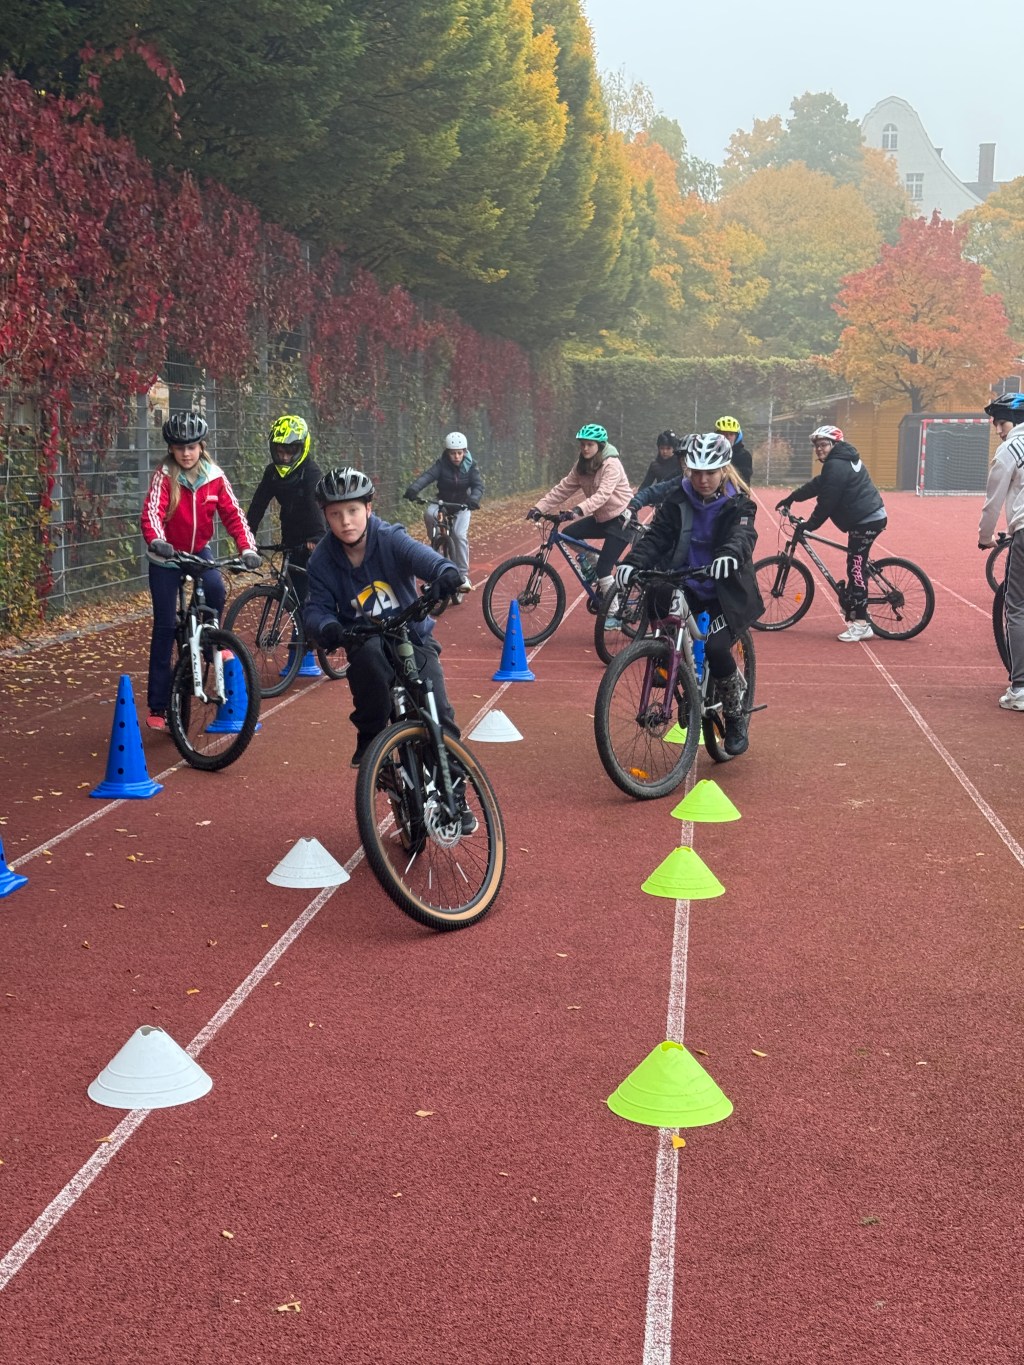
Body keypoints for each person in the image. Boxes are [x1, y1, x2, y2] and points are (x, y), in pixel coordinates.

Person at [303, 469, 469, 799]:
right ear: (325, 516)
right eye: (335, 514)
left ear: (368, 508)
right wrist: (327, 626)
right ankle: (370, 740)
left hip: (413, 637)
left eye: (352, 511)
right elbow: (315, 609)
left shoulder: (389, 538)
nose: (345, 521)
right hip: (364, 640)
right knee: (369, 662)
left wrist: (445, 573)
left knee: (437, 707)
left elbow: (424, 558)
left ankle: (455, 791)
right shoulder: (322, 559)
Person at [615, 432, 762, 756]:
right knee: (657, 597)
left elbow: (742, 535)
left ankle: (735, 716)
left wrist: (729, 556)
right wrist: (632, 563)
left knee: (717, 649)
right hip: (686, 577)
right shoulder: (678, 499)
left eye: (710, 472)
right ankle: (666, 664)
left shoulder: (739, 502)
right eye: (696, 472)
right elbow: (657, 537)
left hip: (723, 588)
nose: (702, 479)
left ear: (724, 470)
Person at [141, 411, 261, 730]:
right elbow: (151, 513)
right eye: (179, 447)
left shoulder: (214, 476)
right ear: (172, 449)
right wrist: (157, 541)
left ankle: (211, 644)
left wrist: (247, 548)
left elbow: (234, 515)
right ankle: (158, 706)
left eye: (192, 446)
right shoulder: (164, 476)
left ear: (201, 446)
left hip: (197, 552)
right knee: (166, 626)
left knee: (217, 589)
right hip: (166, 557)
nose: (186, 453)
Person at [776, 425, 886, 643]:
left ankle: (862, 624)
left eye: (823, 444)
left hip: (867, 519)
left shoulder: (836, 465)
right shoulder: (838, 462)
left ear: (835, 444)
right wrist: (793, 497)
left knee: (855, 565)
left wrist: (810, 525)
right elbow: (819, 484)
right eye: (817, 446)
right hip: (865, 516)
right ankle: (856, 608)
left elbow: (827, 501)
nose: (819, 449)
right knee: (856, 562)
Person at [526, 423, 633, 598]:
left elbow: (603, 495)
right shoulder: (582, 465)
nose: (585, 448)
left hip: (622, 520)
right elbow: (563, 488)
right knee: (569, 534)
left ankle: (613, 613)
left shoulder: (611, 464)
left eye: (590, 444)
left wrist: (577, 510)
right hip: (602, 519)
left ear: (600, 445)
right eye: (582, 444)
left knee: (604, 570)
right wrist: (539, 507)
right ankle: (593, 561)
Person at [245, 414, 325, 606]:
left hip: (316, 534)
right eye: (280, 452)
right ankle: (299, 630)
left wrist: (317, 537)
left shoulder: (311, 472)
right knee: (293, 593)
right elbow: (258, 505)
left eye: (290, 452)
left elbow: (315, 506)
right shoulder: (272, 473)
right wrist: (247, 538)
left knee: (314, 590)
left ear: (301, 448)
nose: (284, 457)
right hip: (291, 534)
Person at [979, 392, 1024, 710]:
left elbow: (993, 499)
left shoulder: (1011, 449)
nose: (998, 429)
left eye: (1001, 422)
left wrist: (984, 537)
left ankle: (1020, 687)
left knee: (1017, 607)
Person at [403, 432, 483, 599]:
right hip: (442, 503)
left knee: (459, 535)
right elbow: (427, 477)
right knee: (429, 514)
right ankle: (437, 541)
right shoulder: (441, 465)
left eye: (459, 452)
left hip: (462, 505)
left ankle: (462, 576)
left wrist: (474, 499)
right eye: (453, 453)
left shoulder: (471, 466)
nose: (456, 456)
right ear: (447, 453)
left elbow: (477, 485)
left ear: (464, 451)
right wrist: (413, 489)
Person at [636, 430, 680, 497]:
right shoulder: (655, 465)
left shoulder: (680, 463)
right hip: (660, 501)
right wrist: (637, 498)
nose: (664, 451)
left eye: (668, 448)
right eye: (662, 448)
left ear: (674, 448)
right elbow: (645, 485)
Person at [715, 416, 753, 485]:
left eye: (731, 434)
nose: (728, 437)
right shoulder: (712, 452)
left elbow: (744, 479)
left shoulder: (744, 455)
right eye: (724, 434)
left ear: (737, 436)